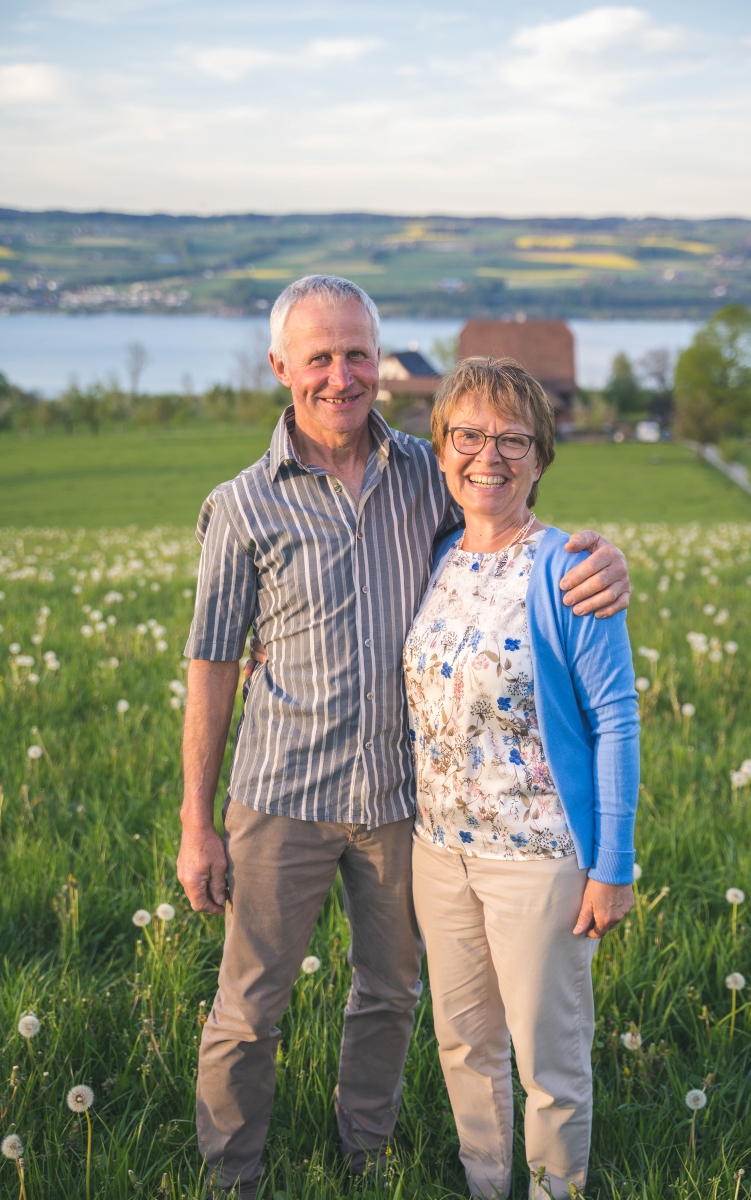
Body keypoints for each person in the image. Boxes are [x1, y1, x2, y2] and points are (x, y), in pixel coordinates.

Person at [177, 274, 633, 1198]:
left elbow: (511, 514)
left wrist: (609, 558)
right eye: (319, 358)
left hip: (401, 807)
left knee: (389, 999)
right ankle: (231, 1180)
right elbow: (214, 661)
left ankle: (366, 1162)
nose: (341, 376)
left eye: (357, 355)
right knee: (248, 1011)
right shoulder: (243, 505)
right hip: (284, 797)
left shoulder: (426, 471)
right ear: (282, 368)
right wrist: (197, 818)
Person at [405, 357, 639, 1200]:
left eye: (513, 439)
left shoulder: (569, 570)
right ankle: (483, 1184)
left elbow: (617, 721)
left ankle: (553, 1191)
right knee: (465, 1046)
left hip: (539, 860)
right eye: (468, 436)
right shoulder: (433, 557)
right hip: (439, 854)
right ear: (441, 451)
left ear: (541, 458)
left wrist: (614, 868)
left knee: (549, 1060)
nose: (488, 456)